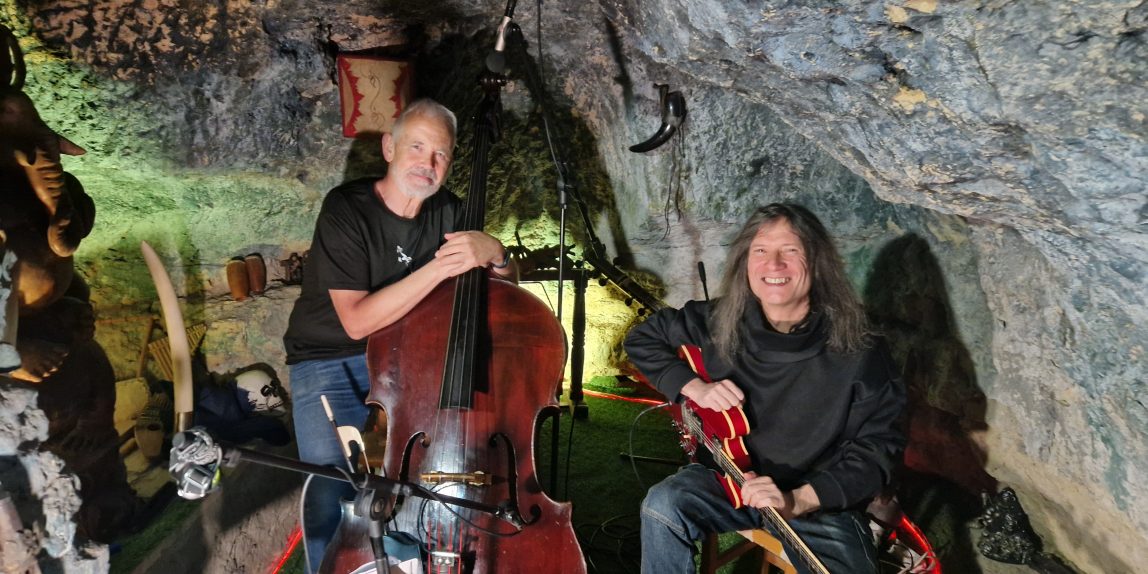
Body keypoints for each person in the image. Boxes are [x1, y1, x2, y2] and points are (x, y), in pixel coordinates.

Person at [283, 98, 516, 573]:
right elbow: (357, 322)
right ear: (389, 148)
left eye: (441, 154)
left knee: (420, 473)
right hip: (330, 357)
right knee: (332, 487)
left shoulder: (451, 212)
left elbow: (507, 288)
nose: (428, 163)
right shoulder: (346, 209)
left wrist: (496, 251)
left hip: (408, 356)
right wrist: (438, 269)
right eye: (417, 146)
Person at [624, 203, 906, 573]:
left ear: (818, 264)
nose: (773, 265)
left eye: (791, 251)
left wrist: (798, 499)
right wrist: (693, 386)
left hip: (815, 498)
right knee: (662, 506)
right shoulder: (720, 319)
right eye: (760, 251)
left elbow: (879, 450)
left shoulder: (862, 348)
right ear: (746, 263)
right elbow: (644, 338)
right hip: (729, 478)